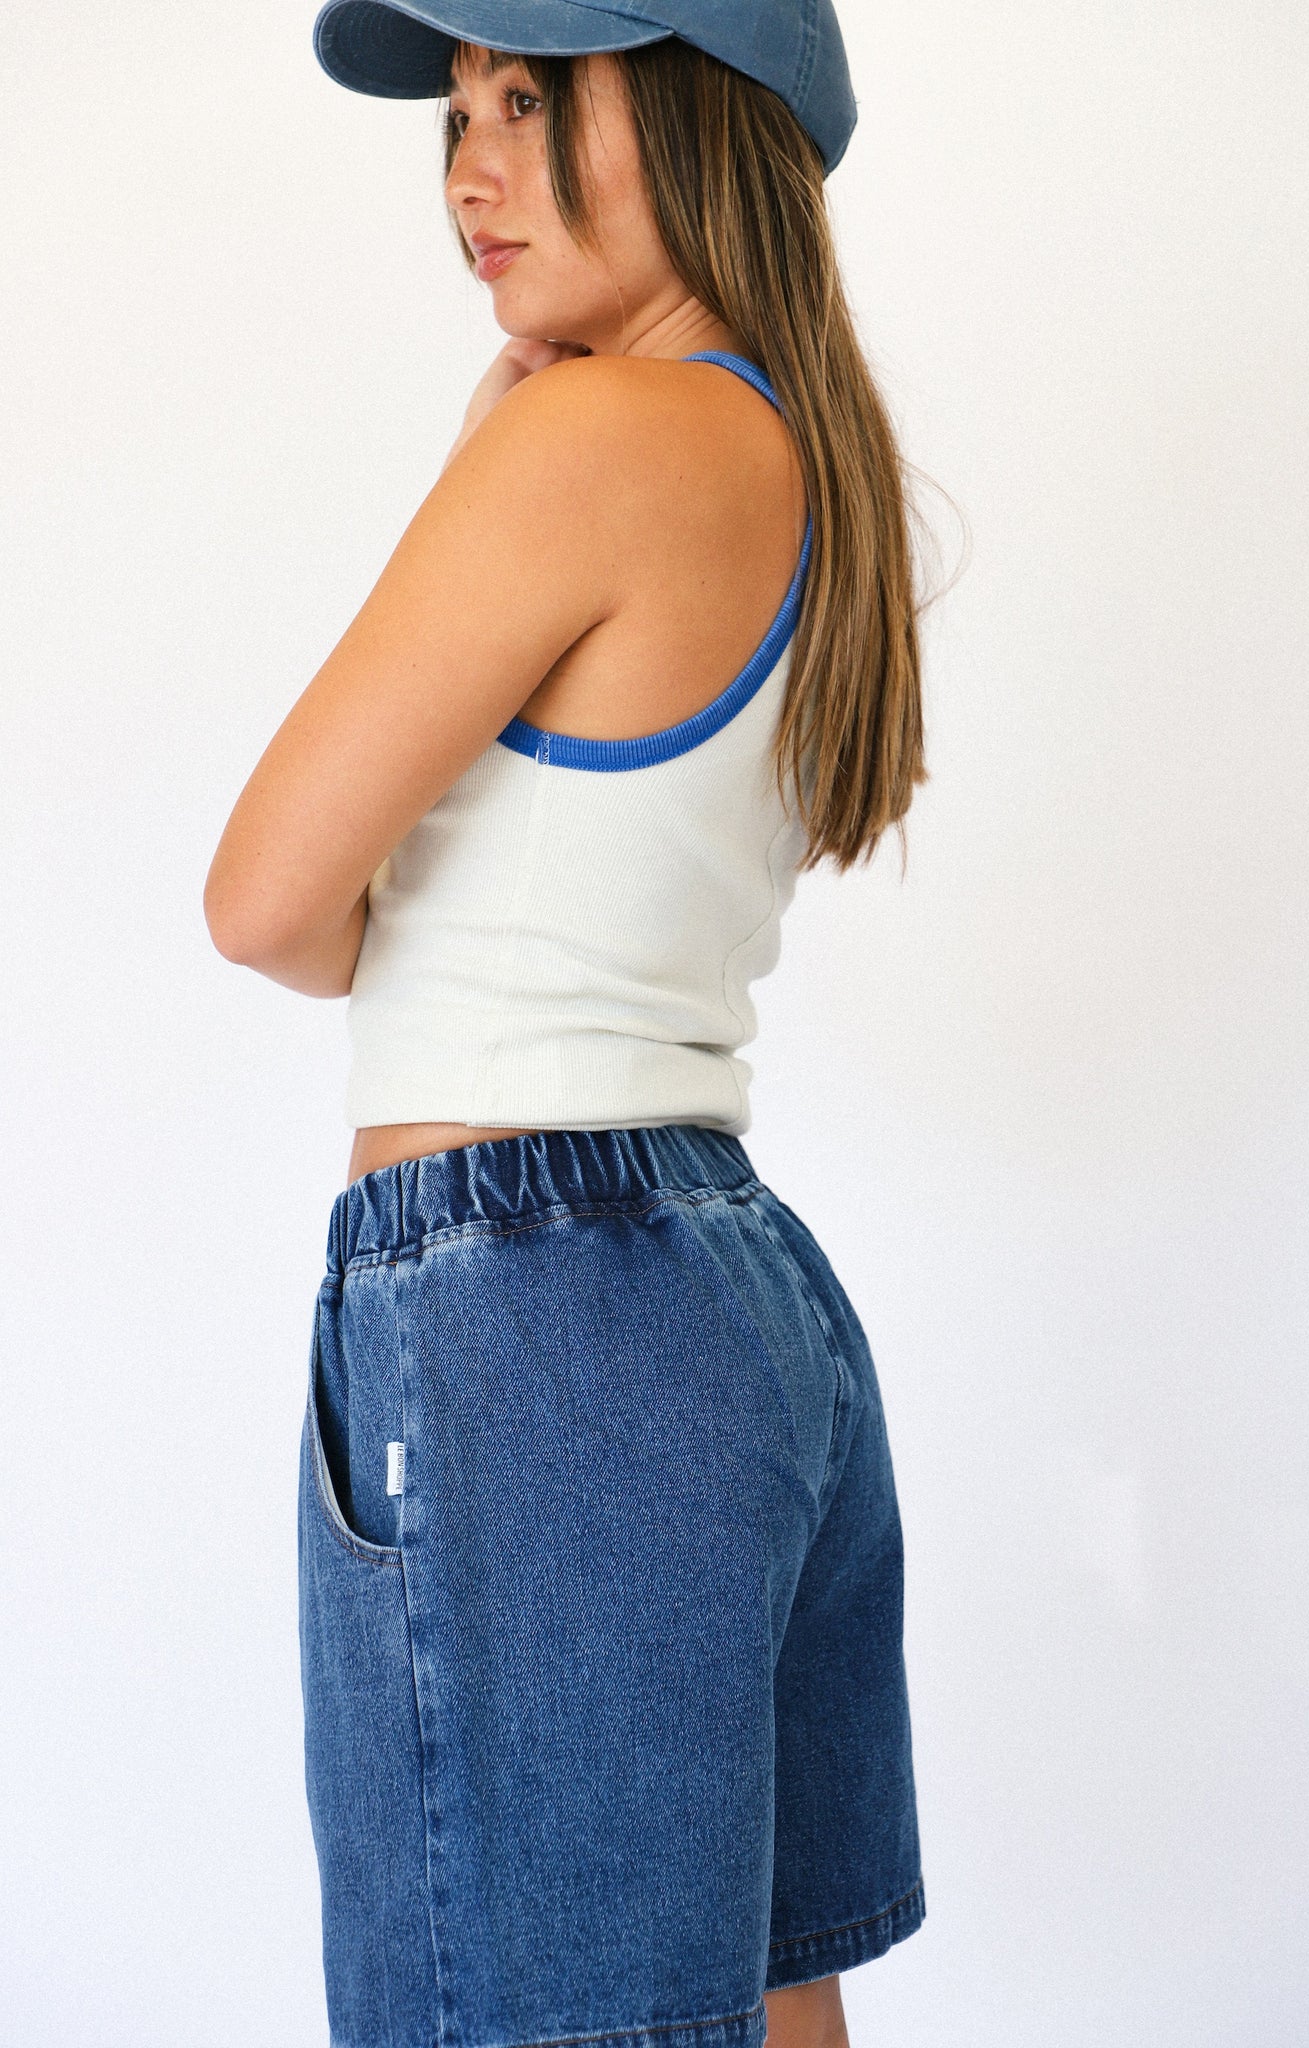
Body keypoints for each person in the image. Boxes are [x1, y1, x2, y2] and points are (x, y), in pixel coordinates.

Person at [204, 4, 931, 2043]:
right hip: (731, 1297)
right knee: (763, 1998)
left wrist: (484, 464)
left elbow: (269, 904)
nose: (469, 169)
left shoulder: (590, 436)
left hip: (526, 1315)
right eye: (455, 113)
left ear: (701, 113)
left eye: (529, 98)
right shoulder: (795, 457)